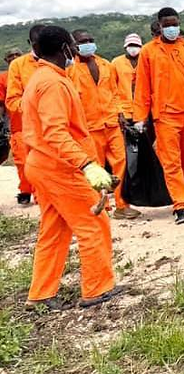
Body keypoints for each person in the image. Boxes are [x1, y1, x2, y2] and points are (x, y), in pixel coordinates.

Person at [22, 25, 122, 309]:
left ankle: (41, 294)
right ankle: (97, 288)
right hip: (60, 168)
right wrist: (88, 164)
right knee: (94, 223)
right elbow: (56, 132)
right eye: (73, 47)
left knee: (55, 229)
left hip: (43, 165)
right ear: (66, 49)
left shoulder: (42, 77)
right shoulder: (53, 83)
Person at [134, 7, 184, 224]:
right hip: (165, 115)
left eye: (175, 24)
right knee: (171, 161)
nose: (172, 28)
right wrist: (140, 117)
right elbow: (143, 86)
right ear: (159, 25)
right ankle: (180, 205)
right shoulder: (148, 51)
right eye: (167, 25)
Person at [68, 29, 140, 220]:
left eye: (91, 39)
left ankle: (122, 205)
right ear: (74, 45)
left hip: (112, 123)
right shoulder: (70, 69)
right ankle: (102, 206)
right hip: (88, 127)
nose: (88, 43)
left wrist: (120, 114)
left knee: (121, 164)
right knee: (96, 168)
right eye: (83, 41)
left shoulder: (105, 64)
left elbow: (114, 92)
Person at [5, 25, 45, 205]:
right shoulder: (18, 66)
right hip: (26, 128)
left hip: (56, 128)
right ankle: (29, 192)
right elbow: (11, 101)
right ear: (31, 43)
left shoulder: (60, 61)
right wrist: (35, 108)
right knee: (26, 164)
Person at [110, 33, 141, 123]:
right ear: (125, 47)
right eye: (130, 45)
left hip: (143, 108)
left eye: (136, 45)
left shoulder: (146, 60)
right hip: (123, 108)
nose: (133, 48)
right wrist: (118, 111)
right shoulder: (116, 62)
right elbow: (112, 87)